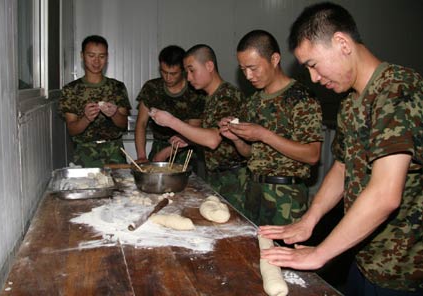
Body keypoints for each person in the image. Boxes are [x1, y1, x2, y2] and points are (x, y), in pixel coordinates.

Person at [258, 3, 423, 295]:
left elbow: (386, 195)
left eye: (312, 64)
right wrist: (309, 220)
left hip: (405, 271)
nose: (314, 78)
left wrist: (320, 253)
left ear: (342, 43)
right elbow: (342, 166)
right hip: (363, 259)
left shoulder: (398, 90)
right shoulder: (350, 103)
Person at [219, 30, 323, 227]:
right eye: (243, 69)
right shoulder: (253, 102)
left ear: (274, 59)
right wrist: (236, 138)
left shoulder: (301, 98)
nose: (248, 75)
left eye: (253, 68)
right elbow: (251, 154)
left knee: (281, 255)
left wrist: (263, 134)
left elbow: (312, 154)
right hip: (253, 191)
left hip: (286, 198)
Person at [149, 44, 247, 213]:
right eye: (186, 72)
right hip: (217, 175)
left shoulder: (227, 96)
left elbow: (213, 140)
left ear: (209, 66)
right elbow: (213, 134)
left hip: (234, 179)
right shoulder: (211, 97)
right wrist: (190, 139)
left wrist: (171, 121)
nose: (188, 77)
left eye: (192, 70)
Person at [59, 35, 131, 167]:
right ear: (82, 56)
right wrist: (86, 118)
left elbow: (123, 124)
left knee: (118, 187)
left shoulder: (117, 87)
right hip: (85, 153)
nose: (96, 61)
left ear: (107, 57)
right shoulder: (71, 90)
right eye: (91, 55)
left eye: (101, 56)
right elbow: (72, 129)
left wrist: (114, 114)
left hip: (114, 151)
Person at [135, 45, 205, 165]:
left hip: (186, 149)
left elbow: (194, 129)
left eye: (173, 74)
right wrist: (141, 156)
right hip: (158, 146)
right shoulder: (152, 88)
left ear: (183, 70)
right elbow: (141, 123)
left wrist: (167, 152)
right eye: (164, 72)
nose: (168, 78)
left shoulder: (194, 91)